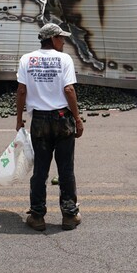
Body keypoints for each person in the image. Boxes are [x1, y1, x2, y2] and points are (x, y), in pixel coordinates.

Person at [16, 22, 85, 231]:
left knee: (40, 170)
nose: (63, 41)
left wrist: (19, 120)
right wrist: (78, 118)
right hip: (63, 120)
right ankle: (69, 215)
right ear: (52, 39)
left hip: (39, 122)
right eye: (60, 38)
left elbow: (21, 91)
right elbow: (69, 90)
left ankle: (37, 216)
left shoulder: (26, 59)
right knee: (66, 169)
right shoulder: (64, 59)